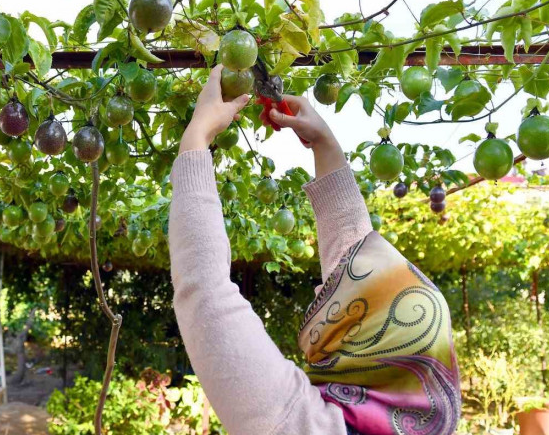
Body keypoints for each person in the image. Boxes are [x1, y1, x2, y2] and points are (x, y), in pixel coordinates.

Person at [168, 65, 461, 435]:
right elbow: (351, 254)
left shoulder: (298, 425)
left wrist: (196, 137)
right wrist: (324, 144)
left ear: (365, 347)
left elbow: (204, 291)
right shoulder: (425, 417)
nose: (324, 286)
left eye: (346, 293)